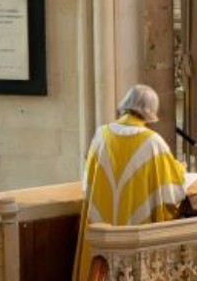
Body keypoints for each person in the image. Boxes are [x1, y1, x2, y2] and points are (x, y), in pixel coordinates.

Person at [72, 85, 187, 281]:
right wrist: (180, 169)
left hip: (102, 227)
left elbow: (87, 181)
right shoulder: (153, 142)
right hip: (136, 231)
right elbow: (172, 189)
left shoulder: (102, 134)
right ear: (151, 110)